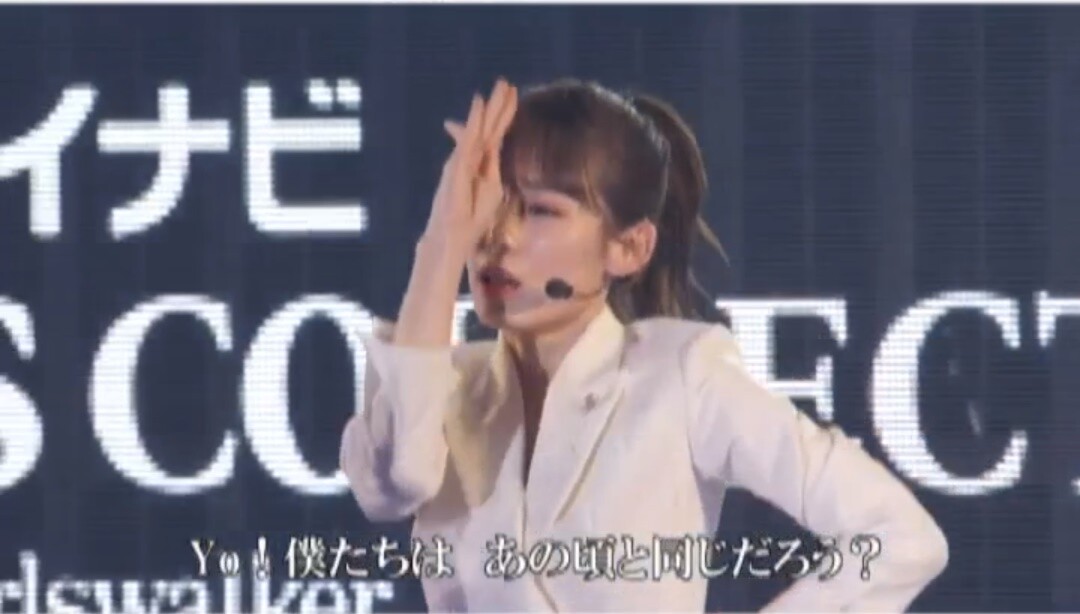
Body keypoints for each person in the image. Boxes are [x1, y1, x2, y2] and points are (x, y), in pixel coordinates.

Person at [339, 77, 949, 612]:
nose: (499, 238)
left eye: (541, 211)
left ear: (629, 248)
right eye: (491, 205)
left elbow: (898, 536)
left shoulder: (681, 374)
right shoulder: (442, 387)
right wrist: (443, 240)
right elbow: (399, 481)